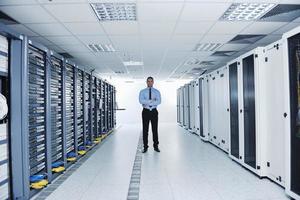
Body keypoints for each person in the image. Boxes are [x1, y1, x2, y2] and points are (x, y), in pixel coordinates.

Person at [139, 77, 161, 153]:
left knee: (155, 129)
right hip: (145, 112)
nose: (150, 83)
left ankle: (156, 146)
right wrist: (152, 101)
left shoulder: (157, 91)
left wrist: (147, 102)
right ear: (146, 82)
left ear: (153, 82)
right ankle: (145, 147)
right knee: (145, 130)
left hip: (154, 112)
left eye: (151, 81)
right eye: (148, 81)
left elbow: (159, 102)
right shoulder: (142, 91)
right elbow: (141, 101)